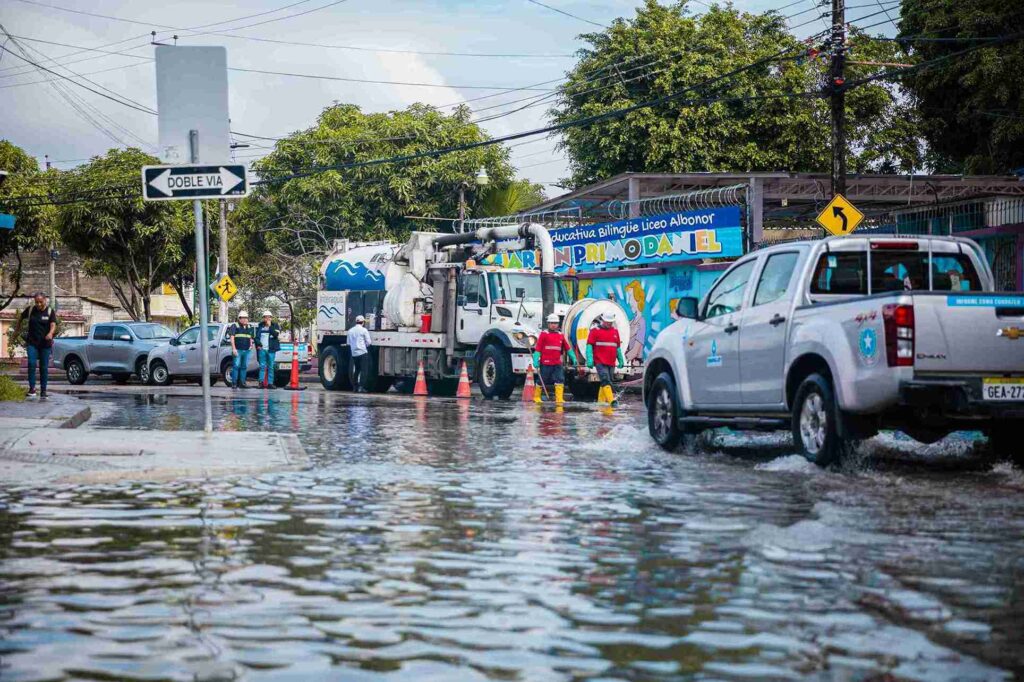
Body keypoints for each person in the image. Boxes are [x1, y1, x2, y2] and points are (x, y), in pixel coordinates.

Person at [14, 292, 57, 399]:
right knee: (31, 364)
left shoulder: (50, 311)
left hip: (45, 344)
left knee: (43, 367)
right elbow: (21, 317)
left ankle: (43, 390)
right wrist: (16, 331)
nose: (38, 304)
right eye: (36, 302)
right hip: (32, 343)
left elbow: (53, 324)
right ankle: (32, 389)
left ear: (45, 300)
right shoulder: (30, 310)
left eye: (40, 302)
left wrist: (50, 333)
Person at [532, 313, 576, 404]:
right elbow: (538, 348)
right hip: (545, 363)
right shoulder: (544, 334)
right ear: (548, 324)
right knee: (542, 379)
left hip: (557, 363)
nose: (553, 325)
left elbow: (568, 348)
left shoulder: (560, 335)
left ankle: (559, 398)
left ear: (558, 324)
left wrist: (573, 357)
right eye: (551, 323)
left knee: (560, 379)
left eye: (555, 323)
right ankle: (536, 397)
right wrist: (535, 359)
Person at [586, 312, 625, 407]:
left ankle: (601, 403)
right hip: (600, 361)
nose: (609, 323)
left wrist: (620, 359)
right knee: (605, 380)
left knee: (606, 381)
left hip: (611, 362)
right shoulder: (594, 331)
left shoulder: (615, 331)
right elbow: (589, 346)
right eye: (607, 322)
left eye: (611, 322)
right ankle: (612, 401)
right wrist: (590, 359)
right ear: (602, 320)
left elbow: (617, 347)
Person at [228, 310, 255, 389]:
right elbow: (232, 338)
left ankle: (242, 383)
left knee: (244, 367)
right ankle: (234, 383)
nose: (245, 320)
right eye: (243, 318)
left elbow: (250, 337)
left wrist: (250, 345)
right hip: (238, 350)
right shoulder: (235, 326)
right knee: (236, 366)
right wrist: (234, 349)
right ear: (239, 319)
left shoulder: (249, 326)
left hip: (246, 350)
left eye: (246, 318)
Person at [255, 310, 280, 389]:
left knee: (271, 367)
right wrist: (258, 344)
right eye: (265, 317)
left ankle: (270, 383)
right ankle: (261, 383)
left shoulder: (275, 325)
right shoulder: (260, 326)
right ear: (263, 318)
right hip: (262, 350)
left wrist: (270, 326)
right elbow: (256, 338)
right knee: (262, 366)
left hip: (271, 350)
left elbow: (275, 335)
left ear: (271, 318)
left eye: (269, 317)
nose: (267, 319)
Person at [347, 315, 372, 393]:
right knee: (364, 370)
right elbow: (369, 342)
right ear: (363, 322)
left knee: (357, 370)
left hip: (354, 353)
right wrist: (365, 345)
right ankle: (361, 386)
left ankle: (355, 387)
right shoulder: (364, 330)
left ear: (356, 321)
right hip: (362, 352)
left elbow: (348, 343)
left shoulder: (350, 331)